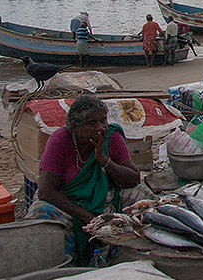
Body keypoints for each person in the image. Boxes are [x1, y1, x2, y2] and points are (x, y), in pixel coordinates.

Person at [29, 95, 141, 263]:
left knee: (143, 196)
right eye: (92, 123)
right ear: (75, 126)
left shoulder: (111, 137)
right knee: (41, 212)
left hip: (106, 200)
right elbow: (46, 191)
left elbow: (133, 179)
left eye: (103, 121)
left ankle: (130, 258)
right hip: (69, 204)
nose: (100, 127)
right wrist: (89, 219)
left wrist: (104, 160)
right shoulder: (59, 140)